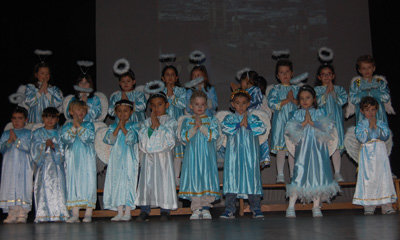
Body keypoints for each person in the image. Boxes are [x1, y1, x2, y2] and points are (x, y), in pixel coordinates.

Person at [285, 85, 340, 218]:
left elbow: (328, 128)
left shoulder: (320, 112)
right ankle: (291, 206)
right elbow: (290, 132)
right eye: (302, 98)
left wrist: (313, 123)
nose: (305, 101)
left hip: (318, 150)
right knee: (299, 174)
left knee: (318, 174)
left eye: (308, 98)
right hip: (303, 150)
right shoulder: (296, 114)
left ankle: (316, 206)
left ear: (314, 99)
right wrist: (304, 123)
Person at [219, 90, 267, 219]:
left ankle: (256, 208)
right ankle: (229, 209)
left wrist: (249, 125)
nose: (241, 106)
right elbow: (224, 127)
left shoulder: (253, 118)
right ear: (233, 104)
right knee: (232, 180)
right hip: (234, 156)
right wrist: (238, 124)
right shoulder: (230, 118)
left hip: (249, 156)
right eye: (238, 103)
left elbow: (262, 128)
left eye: (244, 103)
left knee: (252, 179)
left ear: (248, 104)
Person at [135, 89, 178, 222]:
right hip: (149, 160)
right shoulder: (146, 122)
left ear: (166, 105)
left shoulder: (171, 122)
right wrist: (152, 127)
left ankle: (165, 209)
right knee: (146, 183)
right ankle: (144, 209)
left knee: (164, 182)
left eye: (159, 104)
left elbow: (168, 142)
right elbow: (144, 144)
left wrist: (157, 126)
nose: (156, 108)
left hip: (163, 160)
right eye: (153, 105)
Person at [179, 90, 220, 220]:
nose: (200, 107)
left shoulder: (211, 120)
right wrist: (195, 128)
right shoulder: (187, 121)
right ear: (191, 106)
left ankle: (206, 207)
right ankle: (196, 208)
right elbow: (183, 138)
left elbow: (214, 136)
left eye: (202, 104)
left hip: (207, 157)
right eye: (197, 104)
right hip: (192, 157)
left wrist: (202, 127)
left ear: (206, 106)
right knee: (194, 179)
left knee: (206, 179)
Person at [352, 96, 397, 215]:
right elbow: (361, 138)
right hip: (367, 154)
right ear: (362, 111)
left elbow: (385, 136)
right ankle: (369, 204)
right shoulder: (361, 125)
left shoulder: (381, 123)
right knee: (369, 178)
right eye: (367, 110)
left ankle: (386, 204)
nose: (370, 113)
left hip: (380, 153)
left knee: (383, 176)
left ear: (376, 110)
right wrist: (369, 127)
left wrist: (376, 126)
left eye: (373, 110)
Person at [102, 100, 140, 222]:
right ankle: (119, 211)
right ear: (115, 112)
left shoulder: (134, 125)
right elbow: (109, 140)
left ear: (131, 112)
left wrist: (123, 127)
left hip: (129, 158)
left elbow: (132, 139)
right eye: (119, 111)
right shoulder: (113, 126)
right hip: (116, 160)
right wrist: (117, 127)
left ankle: (128, 211)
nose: (122, 114)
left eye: (125, 111)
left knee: (129, 182)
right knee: (116, 183)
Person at [61, 100, 97, 223]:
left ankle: (88, 213)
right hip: (73, 159)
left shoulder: (89, 125)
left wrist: (79, 126)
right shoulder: (66, 126)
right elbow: (65, 139)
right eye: (77, 109)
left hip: (86, 159)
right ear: (71, 111)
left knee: (88, 182)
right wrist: (73, 127)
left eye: (83, 110)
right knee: (73, 183)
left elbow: (89, 138)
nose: (80, 112)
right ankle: (75, 214)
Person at [31, 107, 69, 222]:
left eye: (53, 117)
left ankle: (59, 213)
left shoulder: (60, 133)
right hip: (44, 166)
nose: (50, 120)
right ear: (43, 118)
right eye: (47, 117)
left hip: (57, 167)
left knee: (59, 188)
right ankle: (43, 213)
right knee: (43, 189)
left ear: (57, 119)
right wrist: (44, 146)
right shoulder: (38, 133)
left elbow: (64, 150)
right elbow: (34, 149)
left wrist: (54, 147)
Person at [267, 59, 299, 183]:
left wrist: (293, 100)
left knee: (292, 148)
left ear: (291, 73)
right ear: (277, 75)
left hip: (294, 122)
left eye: (287, 72)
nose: (285, 75)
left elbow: (302, 103)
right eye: (281, 72)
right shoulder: (275, 89)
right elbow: (272, 103)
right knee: (281, 148)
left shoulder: (296, 89)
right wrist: (287, 100)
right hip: (280, 122)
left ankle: (292, 174)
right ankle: (280, 174)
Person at [314, 64, 348, 182]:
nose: (326, 77)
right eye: (323, 74)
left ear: (333, 76)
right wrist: (325, 94)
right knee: (323, 146)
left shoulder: (339, 89)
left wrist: (332, 92)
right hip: (322, 122)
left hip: (335, 121)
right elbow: (316, 102)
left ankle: (337, 172)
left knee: (336, 146)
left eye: (329, 74)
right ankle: (324, 173)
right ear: (319, 77)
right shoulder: (317, 90)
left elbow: (343, 100)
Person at [0, 107, 33, 223]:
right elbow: (1, 148)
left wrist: (17, 141)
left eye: (20, 118)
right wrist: (9, 141)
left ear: (26, 120)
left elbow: (30, 148)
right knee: (10, 185)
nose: (17, 121)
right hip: (9, 165)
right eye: (14, 118)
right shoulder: (6, 133)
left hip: (23, 165)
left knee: (22, 186)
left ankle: (22, 214)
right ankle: (11, 213)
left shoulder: (28, 133)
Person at [161, 65, 187, 185]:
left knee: (178, 159)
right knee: (165, 160)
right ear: (163, 78)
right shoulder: (160, 93)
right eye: (167, 75)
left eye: (172, 75)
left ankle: (177, 184)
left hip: (177, 129)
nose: (170, 77)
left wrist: (172, 96)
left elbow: (183, 104)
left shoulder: (181, 91)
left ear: (176, 77)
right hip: (164, 129)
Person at [348, 55, 392, 124]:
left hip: (378, 115)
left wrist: (372, 92)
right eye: (364, 68)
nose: (367, 70)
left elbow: (386, 97)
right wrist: (365, 93)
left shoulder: (380, 82)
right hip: (363, 116)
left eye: (369, 67)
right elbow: (353, 99)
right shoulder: (356, 84)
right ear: (359, 70)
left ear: (374, 68)